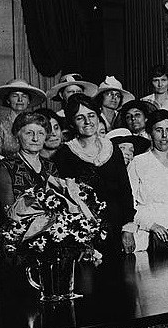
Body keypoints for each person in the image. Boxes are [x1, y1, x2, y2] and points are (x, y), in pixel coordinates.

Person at [52, 95, 136, 253]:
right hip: (83, 231)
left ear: (98, 117)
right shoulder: (65, 153)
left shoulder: (112, 149)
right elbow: (66, 198)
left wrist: (128, 228)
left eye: (91, 115)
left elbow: (125, 191)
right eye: (80, 118)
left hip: (116, 228)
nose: (87, 121)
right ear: (71, 123)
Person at [126, 110, 168, 252]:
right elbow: (130, 205)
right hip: (147, 237)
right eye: (159, 130)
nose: (164, 136)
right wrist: (152, 225)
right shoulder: (138, 163)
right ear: (150, 133)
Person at [0, 111, 59, 225]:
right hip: (20, 230)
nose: (35, 139)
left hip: (53, 227)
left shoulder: (50, 166)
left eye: (41, 133)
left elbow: (58, 202)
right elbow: (9, 213)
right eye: (29, 133)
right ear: (17, 136)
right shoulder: (6, 166)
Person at [0, 78, 47, 156]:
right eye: (15, 96)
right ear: (8, 100)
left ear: (29, 101)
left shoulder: (39, 123)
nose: (20, 99)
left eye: (24, 96)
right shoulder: (0, 125)